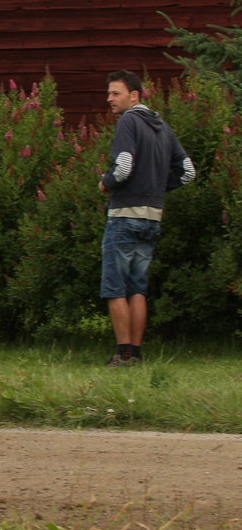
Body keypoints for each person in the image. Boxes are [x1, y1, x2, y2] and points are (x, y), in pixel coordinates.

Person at [97, 71, 195, 367]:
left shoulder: (129, 121)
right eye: (109, 93)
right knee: (138, 287)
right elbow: (188, 172)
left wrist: (106, 182)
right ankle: (135, 354)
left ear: (134, 96)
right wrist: (154, 187)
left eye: (116, 93)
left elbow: (124, 167)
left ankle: (122, 354)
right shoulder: (163, 126)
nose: (109, 99)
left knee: (115, 287)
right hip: (153, 217)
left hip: (125, 215)